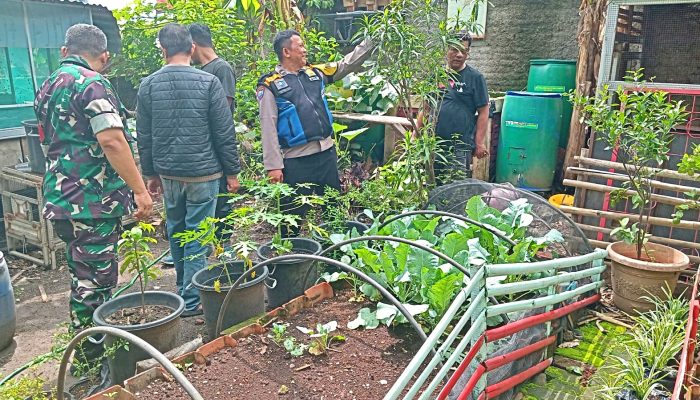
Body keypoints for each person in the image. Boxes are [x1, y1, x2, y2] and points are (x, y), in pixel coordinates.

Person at [34, 24, 153, 365]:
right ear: (104, 57)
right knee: (96, 283)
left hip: (62, 197)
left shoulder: (48, 84)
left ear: (64, 51)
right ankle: (94, 360)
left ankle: (89, 350)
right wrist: (140, 191)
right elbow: (112, 140)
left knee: (81, 275)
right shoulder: (92, 83)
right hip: (92, 201)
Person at [136, 23, 241, 317]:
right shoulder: (208, 83)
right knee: (197, 234)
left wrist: (150, 174)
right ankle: (192, 299)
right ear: (192, 48)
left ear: (163, 50)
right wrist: (232, 173)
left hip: (169, 173)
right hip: (204, 174)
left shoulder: (148, 85)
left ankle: (184, 288)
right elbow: (224, 132)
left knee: (177, 229)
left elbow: (143, 135)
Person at [257, 30, 373, 230]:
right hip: (295, 161)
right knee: (291, 218)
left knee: (333, 209)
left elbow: (347, 64)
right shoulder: (270, 85)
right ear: (286, 52)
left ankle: (333, 254)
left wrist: (373, 39)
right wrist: (273, 166)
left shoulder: (315, 73)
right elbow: (268, 127)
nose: (305, 50)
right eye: (300, 46)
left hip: (326, 155)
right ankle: (290, 257)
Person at [416, 31, 489, 183]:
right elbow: (426, 108)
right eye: (455, 49)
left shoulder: (475, 78)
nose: (459, 55)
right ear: (446, 49)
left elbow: (483, 112)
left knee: (456, 188)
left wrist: (480, 143)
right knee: (432, 185)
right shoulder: (435, 76)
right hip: (434, 144)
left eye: (464, 51)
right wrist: (417, 136)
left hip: (460, 146)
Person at [189, 23, 236, 245]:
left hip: (218, 145)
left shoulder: (221, 68)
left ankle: (224, 246)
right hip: (203, 148)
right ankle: (208, 243)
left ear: (193, 45)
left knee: (222, 199)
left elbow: (223, 112)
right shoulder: (200, 72)